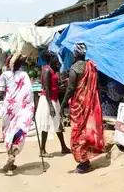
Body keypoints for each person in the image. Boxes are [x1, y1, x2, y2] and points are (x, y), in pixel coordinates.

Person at [0, 54, 35, 176]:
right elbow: (30, 93)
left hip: (8, 108)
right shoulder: (25, 75)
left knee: (8, 132)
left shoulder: (5, 75)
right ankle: (13, 153)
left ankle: (10, 157)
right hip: (22, 108)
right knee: (19, 129)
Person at [60, 43, 105, 173]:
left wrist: (63, 104)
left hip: (79, 105)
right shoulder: (91, 66)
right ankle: (86, 158)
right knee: (86, 130)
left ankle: (83, 162)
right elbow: (97, 86)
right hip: (90, 103)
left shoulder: (75, 68)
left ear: (75, 53)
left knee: (78, 133)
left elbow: (71, 88)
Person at [36, 51, 70, 157]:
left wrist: (61, 86)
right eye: (55, 58)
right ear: (51, 59)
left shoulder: (52, 70)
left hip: (54, 100)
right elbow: (46, 88)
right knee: (46, 124)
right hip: (47, 101)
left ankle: (63, 147)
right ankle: (42, 150)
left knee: (57, 123)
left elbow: (53, 87)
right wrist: (50, 106)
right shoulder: (46, 70)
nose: (57, 60)